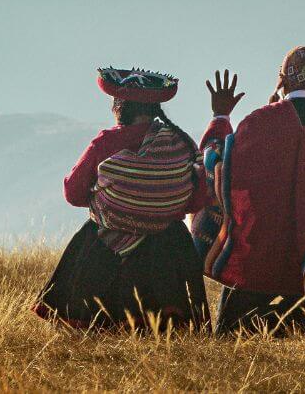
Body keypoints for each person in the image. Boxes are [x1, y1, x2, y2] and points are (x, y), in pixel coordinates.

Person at [191, 47, 305, 336]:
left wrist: (220, 116)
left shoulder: (260, 121)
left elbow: (220, 170)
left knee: (231, 329)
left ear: (283, 79)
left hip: (257, 263)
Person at [33, 67, 211, 331]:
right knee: (167, 333)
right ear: (156, 109)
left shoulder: (105, 143)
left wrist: (116, 204)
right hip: (167, 248)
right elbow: (196, 201)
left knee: (94, 328)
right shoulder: (181, 144)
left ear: (120, 106)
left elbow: (73, 193)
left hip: (105, 245)